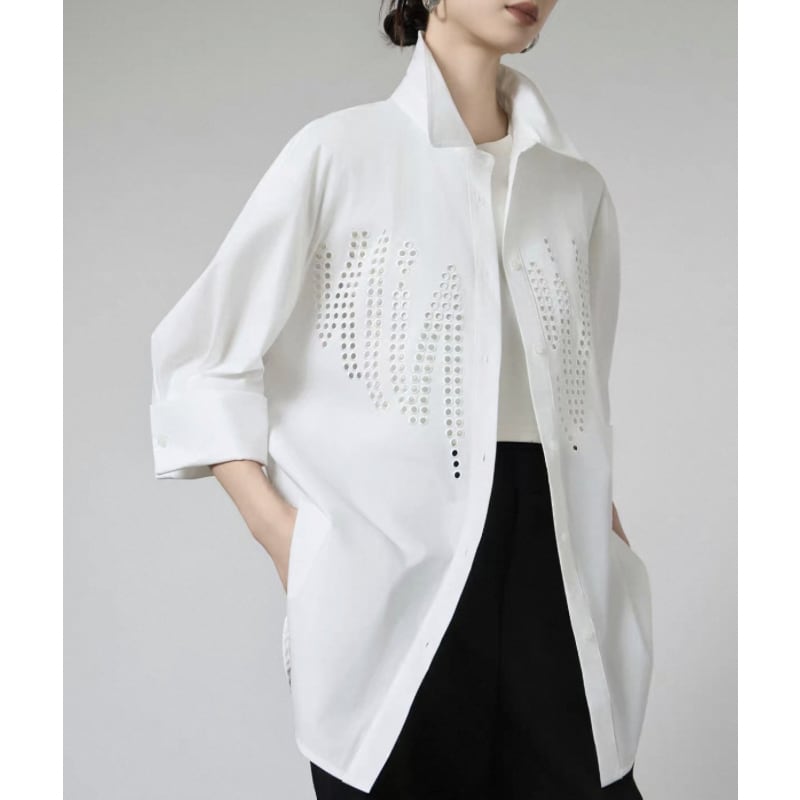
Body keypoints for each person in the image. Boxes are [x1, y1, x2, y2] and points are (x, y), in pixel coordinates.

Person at [149, 1, 654, 797]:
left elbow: (582, 401)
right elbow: (202, 361)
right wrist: (285, 540)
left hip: (558, 575)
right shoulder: (339, 154)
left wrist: (608, 541)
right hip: (392, 583)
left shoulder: (575, 188)